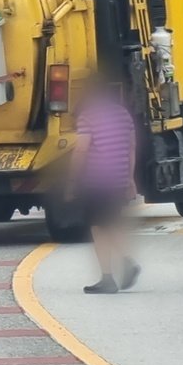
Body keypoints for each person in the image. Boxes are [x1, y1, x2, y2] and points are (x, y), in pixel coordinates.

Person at [68, 75, 142, 294]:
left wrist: (72, 180)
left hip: (97, 179)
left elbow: (81, 149)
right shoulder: (123, 115)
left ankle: (108, 277)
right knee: (111, 222)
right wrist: (130, 180)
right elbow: (131, 148)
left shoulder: (87, 117)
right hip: (118, 178)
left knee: (98, 227)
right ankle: (126, 263)